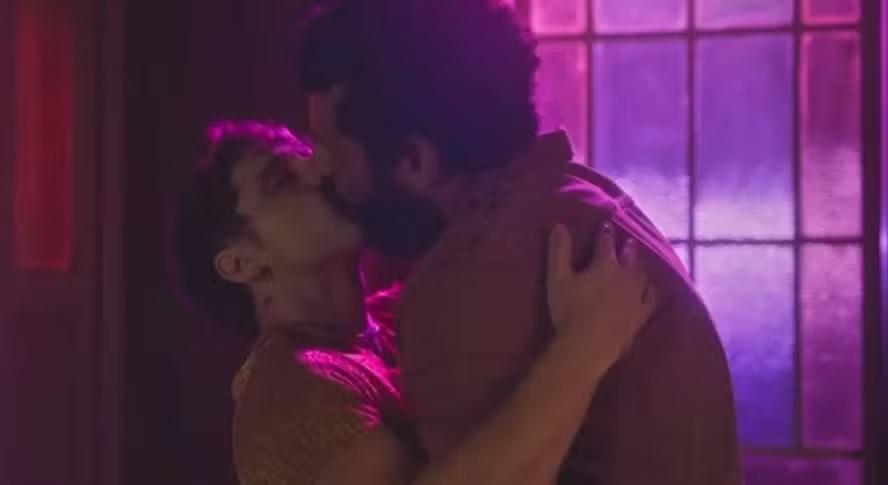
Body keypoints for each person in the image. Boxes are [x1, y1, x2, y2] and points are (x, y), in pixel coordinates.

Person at [298, 1, 743, 484]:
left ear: (414, 161)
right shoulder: (575, 200)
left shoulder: (472, 273)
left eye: (330, 149)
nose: (314, 168)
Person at [171, 121, 658, 485]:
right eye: (280, 180)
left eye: (306, 154)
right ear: (240, 263)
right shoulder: (283, 396)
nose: (316, 169)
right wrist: (585, 347)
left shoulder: (399, 318)